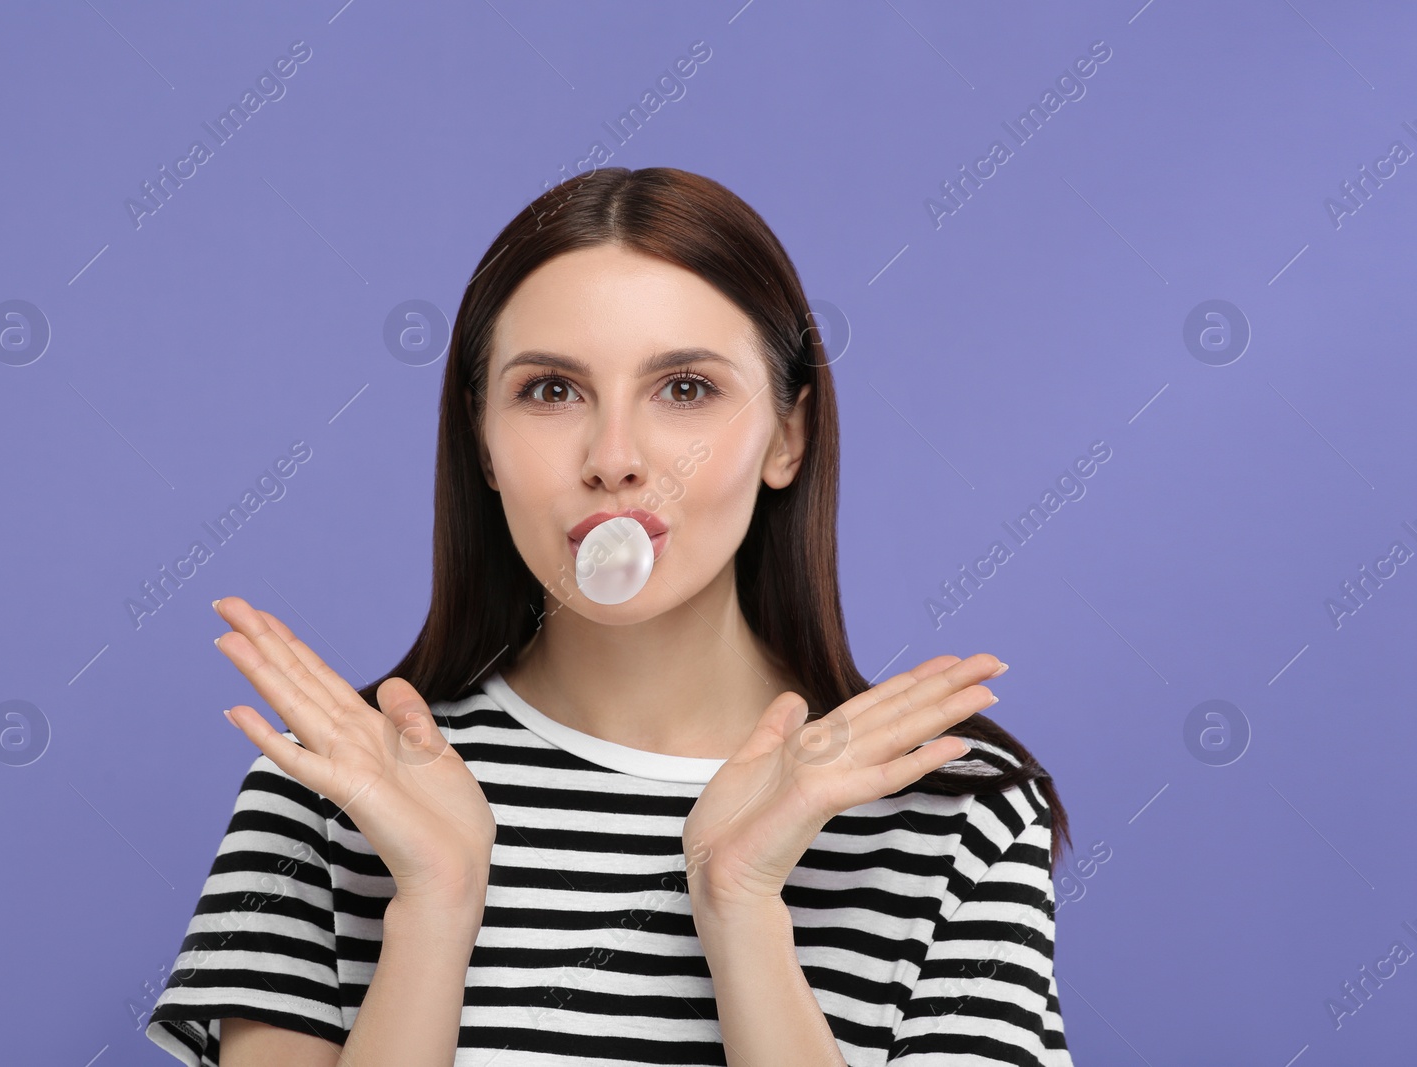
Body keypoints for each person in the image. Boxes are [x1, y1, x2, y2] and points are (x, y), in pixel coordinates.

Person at [145, 166, 1074, 1067]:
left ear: (786, 436)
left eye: (685, 389)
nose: (616, 458)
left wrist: (740, 904)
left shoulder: (953, 814)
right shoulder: (328, 794)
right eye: (552, 390)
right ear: (483, 441)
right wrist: (434, 901)